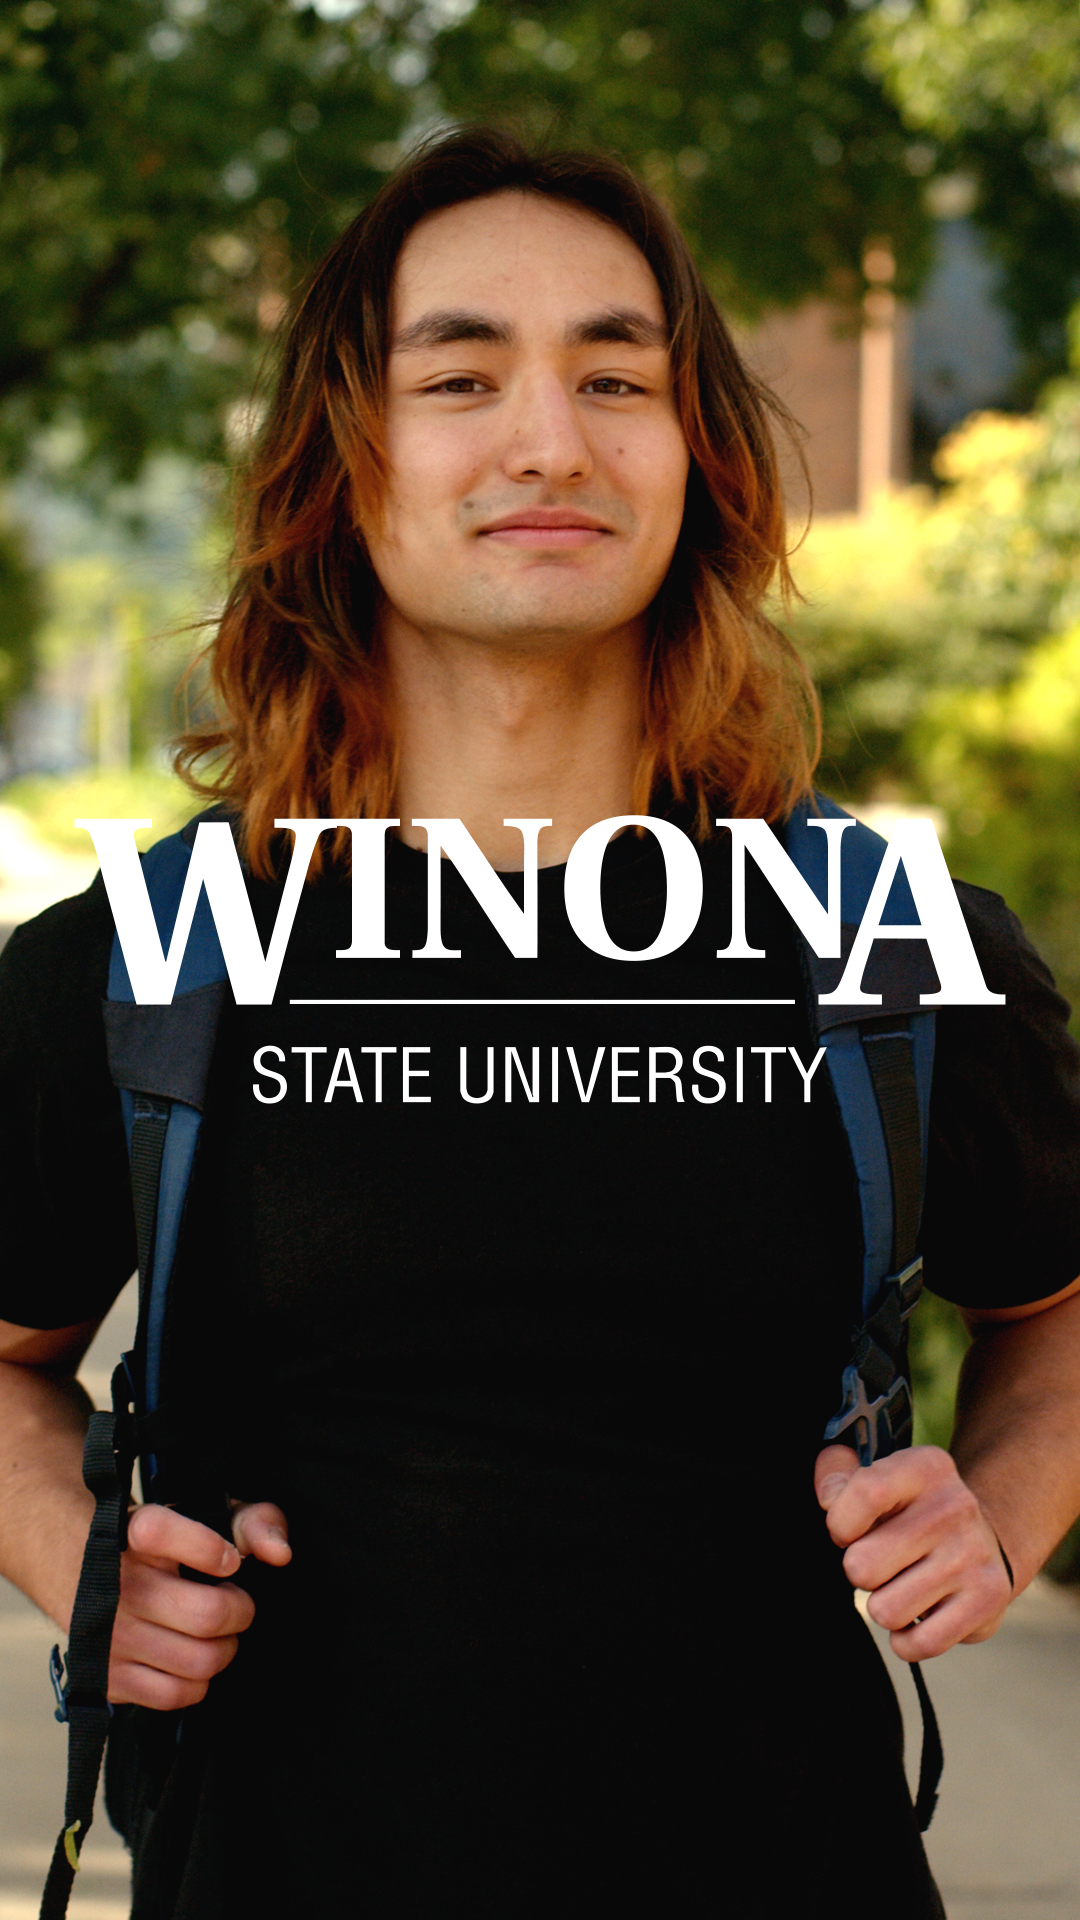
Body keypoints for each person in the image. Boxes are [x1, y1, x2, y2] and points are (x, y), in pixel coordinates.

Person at [3, 125, 1080, 1920]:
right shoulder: (143, 962)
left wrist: (1003, 1504)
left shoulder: (878, 943)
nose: (549, 441)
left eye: (615, 375)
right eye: (461, 374)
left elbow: (1057, 1312)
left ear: (697, 459)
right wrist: (75, 1551)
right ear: (343, 467)